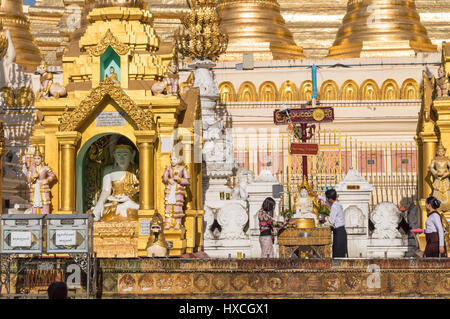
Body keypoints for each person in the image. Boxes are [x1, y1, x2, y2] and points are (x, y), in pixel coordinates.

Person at [319, 189, 347, 258]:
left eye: (327, 198)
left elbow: (331, 221)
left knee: (338, 251)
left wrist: (323, 222)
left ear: (330, 199)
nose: (325, 199)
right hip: (341, 230)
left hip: (338, 231)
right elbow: (326, 201)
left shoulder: (334, 207)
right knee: (340, 251)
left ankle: (338, 267)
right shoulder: (336, 203)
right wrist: (317, 196)